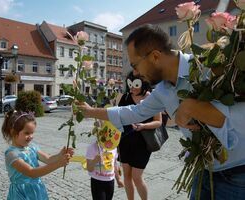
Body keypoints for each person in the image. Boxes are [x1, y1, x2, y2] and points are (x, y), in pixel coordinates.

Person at [78, 24, 245, 200]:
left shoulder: (209, 66)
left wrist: (191, 107)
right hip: (204, 170)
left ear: (155, 56)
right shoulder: (163, 90)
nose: (135, 72)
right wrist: (90, 112)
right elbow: (134, 112)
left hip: (238, 173)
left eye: (135, 65)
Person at [2, 110, 74, 200]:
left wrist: (60, 155)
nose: (31, 136)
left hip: (37, 190)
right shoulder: (11, 154)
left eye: (32, 133)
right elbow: (31, 172)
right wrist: (58, 164)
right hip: (21, 194)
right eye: (27, 133)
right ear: (13, 132)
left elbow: (48, 159)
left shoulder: (32, 147)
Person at [116, 71, 161, 200]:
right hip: (125, 142)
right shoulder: (124, 97)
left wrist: (143, 126)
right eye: (130, 84)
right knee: (127, 176)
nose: (132, 88)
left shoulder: (151, 98)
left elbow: (158, 122)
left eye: (135, 84)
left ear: (143, 84)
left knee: (137, 177)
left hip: (143, 144)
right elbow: (116, 115)